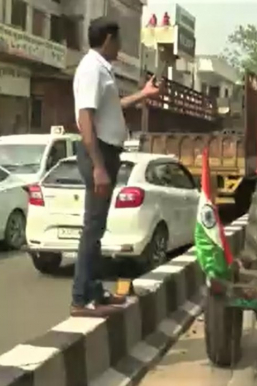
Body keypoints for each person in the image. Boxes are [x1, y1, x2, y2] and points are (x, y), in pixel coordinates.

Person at [72, 17, 160, 317]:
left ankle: (94, 291)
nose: (122, 46)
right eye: (119, 40)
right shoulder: (91, 69)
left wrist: (143, 95)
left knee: (98, 227)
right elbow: (85, 118)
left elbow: (112, 108)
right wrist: (98, 166)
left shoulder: (101, 69)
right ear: (108, 39)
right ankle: (81, 298)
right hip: (98, 153)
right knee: (92, 229)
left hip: (107, 153)